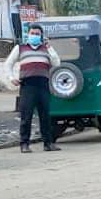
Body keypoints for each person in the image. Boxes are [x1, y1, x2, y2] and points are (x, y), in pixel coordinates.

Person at [5, 24, 62, 153]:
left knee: (45, 116)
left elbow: (57, 63)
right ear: (28, 34)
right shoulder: (20, 48)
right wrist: (11, 78)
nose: (34, 36)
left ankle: (48, 143)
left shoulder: (46, 49)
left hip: (43, 85)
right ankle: (24, 144)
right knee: (26, 116)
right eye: (32, 33)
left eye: (37, 34)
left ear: (41, 36)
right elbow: (8, 64)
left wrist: (49, 47)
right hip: (27, 85)